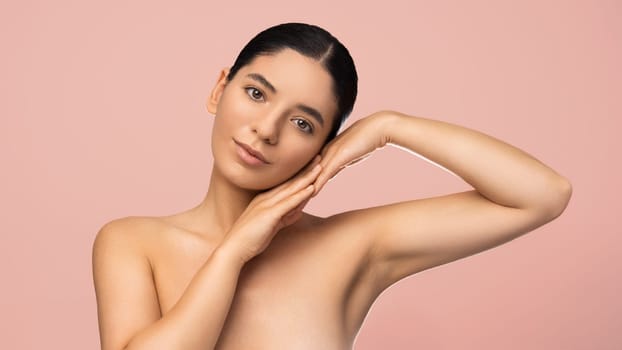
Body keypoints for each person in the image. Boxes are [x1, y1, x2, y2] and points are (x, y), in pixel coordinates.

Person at [92, 22, 572, 350]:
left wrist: (389, 127)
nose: (266, 129)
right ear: (220, 89)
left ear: (325, 143)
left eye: (303, 123)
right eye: (256, 93)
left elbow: (542, 195)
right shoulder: (132, 242)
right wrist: (233, 251)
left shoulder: (352, 247)